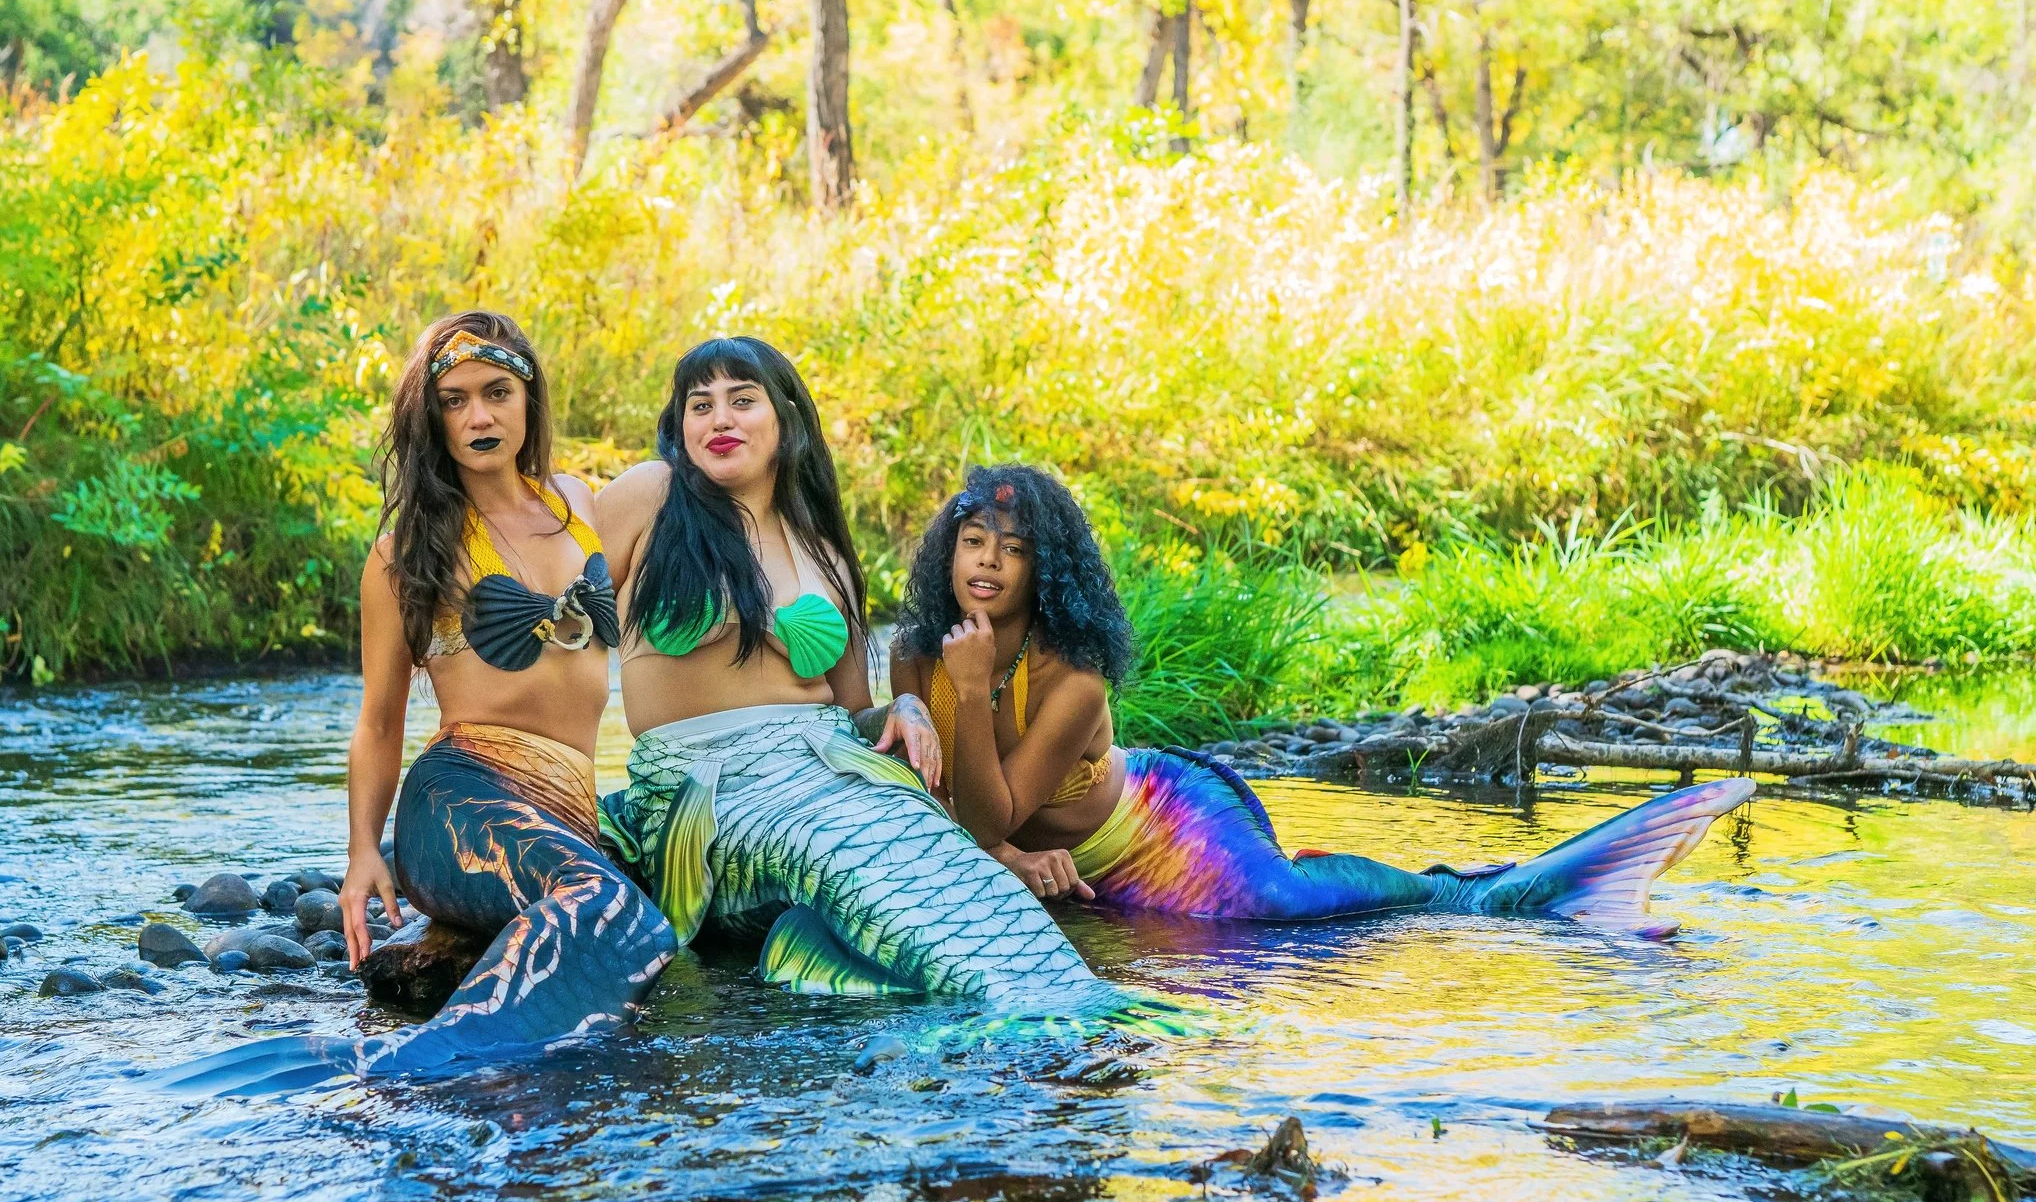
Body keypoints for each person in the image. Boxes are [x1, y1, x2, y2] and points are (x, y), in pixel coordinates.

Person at [154, 312, 678, 1096]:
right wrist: (364, 852)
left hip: (561, 801)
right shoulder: (407, 550)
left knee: (627, 910)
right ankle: (420, 1065)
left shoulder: (575, 502)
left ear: (528, 398)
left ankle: (503, 1075)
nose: (478, 416)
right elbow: (377, 720)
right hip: (460, 799)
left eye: (497, 392)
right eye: (454, 399)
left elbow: (681, 497)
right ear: (431, 418)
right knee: (610, 909)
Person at [593, 340, 1186, 1028]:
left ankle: (1075, 1009)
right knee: (839, 846)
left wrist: (902, 706)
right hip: (710, 786)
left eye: (741, 399)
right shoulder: (650, 496)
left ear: (787, 418)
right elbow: (558, 619)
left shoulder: (823, 551)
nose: (718, 417)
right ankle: (1018, 1007)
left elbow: (848, 716)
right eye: (700, 405)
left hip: (829, 767)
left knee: (927, 848)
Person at [891, 465, 1752, 931]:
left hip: (1163, 821)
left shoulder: (1074, 680)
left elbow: (986, 816)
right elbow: (918, 799)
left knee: (1280, 909)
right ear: (947, 553)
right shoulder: (913, 653)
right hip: (1069, 869)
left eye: (1013, 549)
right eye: (973, 541)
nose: (989, 562)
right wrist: (1005, 854)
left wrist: (969, 697)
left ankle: (1472, 887)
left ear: (1047, 574)